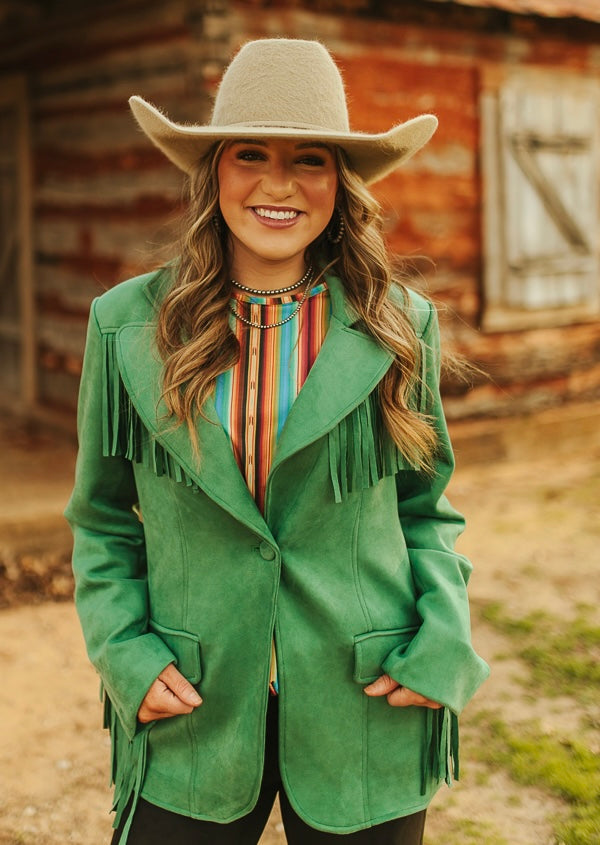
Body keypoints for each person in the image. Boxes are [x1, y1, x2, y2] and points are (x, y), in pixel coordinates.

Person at [65, 38, 489, 845]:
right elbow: (102, 519)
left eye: (311, 160)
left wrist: (443, 639)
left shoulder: (401, 325)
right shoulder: (124, 325)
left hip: (365, 703)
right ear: (213, 171)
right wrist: (124, 650)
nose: (278, 184)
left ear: (342, 182)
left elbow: (425, 511)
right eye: (250, 153)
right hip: (191, 706)